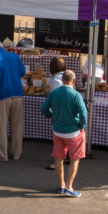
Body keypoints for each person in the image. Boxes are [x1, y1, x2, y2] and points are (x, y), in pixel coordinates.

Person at [40, 70, 88, 198]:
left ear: (62, 80)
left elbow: (43, 109)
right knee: (74, 159)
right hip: (73, 132)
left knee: (58, 158)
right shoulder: (76, 95)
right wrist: (82, 126)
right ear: (73, 80)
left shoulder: (54, 93)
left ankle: (61, 185)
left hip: (57, 130)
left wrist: (52, 116)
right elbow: (83, 114)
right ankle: (69, 187)